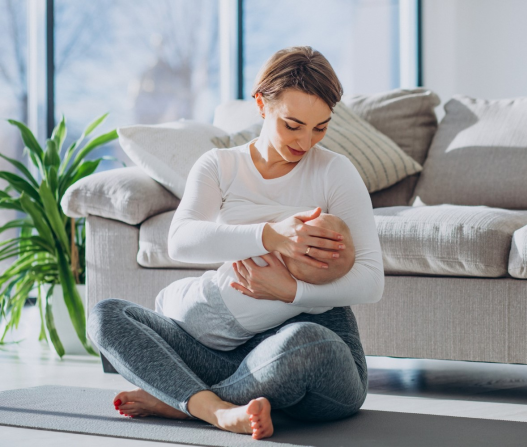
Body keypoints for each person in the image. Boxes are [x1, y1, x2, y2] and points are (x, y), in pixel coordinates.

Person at [87, 46, 384, 441]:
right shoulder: (220, 166)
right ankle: (221, 410)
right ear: (261, 104)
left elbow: (371, 280)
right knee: (106, 315)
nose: (306, 142)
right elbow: (181, 240)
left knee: (306, 343)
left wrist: (291, 291)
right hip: (226, 353)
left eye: (320, 127)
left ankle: (185, 402)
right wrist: (271, 234)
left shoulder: (335, 172)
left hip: (311, 359)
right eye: (292, 125)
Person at [155, 207, 356, 351]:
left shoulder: (265, 253)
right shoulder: (311, 302)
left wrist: (275, 233)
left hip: (203, 299)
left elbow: (233, 238)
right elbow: (329, 301)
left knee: (164, 298)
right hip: (227, 341)